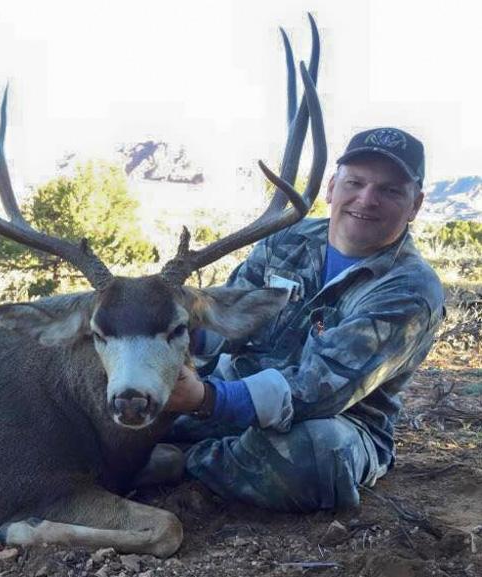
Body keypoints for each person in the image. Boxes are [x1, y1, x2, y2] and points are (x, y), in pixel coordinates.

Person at [164, 127, 445, 512]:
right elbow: (224, 318)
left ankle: (182, 461)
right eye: (355, 183)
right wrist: (175, 330)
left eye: (390, 190)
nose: (367, 199)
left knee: (320, 453)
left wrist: (205, 399)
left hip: (339, 420)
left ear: (415, 205)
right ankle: (200, 452)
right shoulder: (285, 239)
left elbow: (322, 389)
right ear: (331, 187)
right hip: (234, 384)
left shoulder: (410, 289)